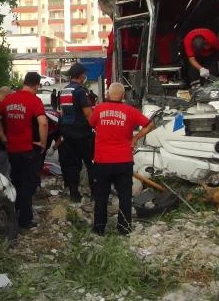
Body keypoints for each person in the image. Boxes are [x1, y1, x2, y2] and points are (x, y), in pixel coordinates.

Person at [88, 82, 155, 235]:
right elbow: (150, 124)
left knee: (101, 196)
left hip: (102, 161)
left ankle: (99, 228)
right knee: (125, 196)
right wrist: (135, 138)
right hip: (123, 160)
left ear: (107, 94)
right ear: (123, 95)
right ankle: (124, 228)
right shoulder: (130, 111)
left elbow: (91, 124)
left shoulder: (99, 109)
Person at [0, 72, 48, 230]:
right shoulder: (34, 101)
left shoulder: (9, 99)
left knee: (15, 182)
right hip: (29, 149)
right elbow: (43, 123)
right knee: (28, 185)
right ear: (36, 85)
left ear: (24, 82)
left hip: (12, 149)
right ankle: (25, 221)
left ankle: (13, 215)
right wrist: (43, 143)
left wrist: (3, 137)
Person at [58, 63, 95, 203]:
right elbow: (88, 113)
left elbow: (63, 111)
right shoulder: (80, 91)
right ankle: (95, 194)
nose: (85, 76)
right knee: (90, 163)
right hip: (81, 132)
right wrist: (95, 128)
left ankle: (74, 194)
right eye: (84, 74)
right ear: (80, 75)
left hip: (67, 132)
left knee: (73, 164)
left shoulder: (65, 90)